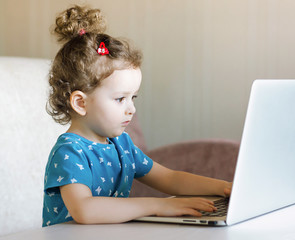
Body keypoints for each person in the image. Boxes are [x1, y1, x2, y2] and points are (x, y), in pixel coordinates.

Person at [43, 5, 232, 227]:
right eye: (120, 99)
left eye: (134, 98)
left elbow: (170, 179)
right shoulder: (70, 151)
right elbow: (85, 210)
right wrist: (159, 206)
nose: (131, 109)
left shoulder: (121, 144)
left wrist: (225, 187)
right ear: (80, 103)